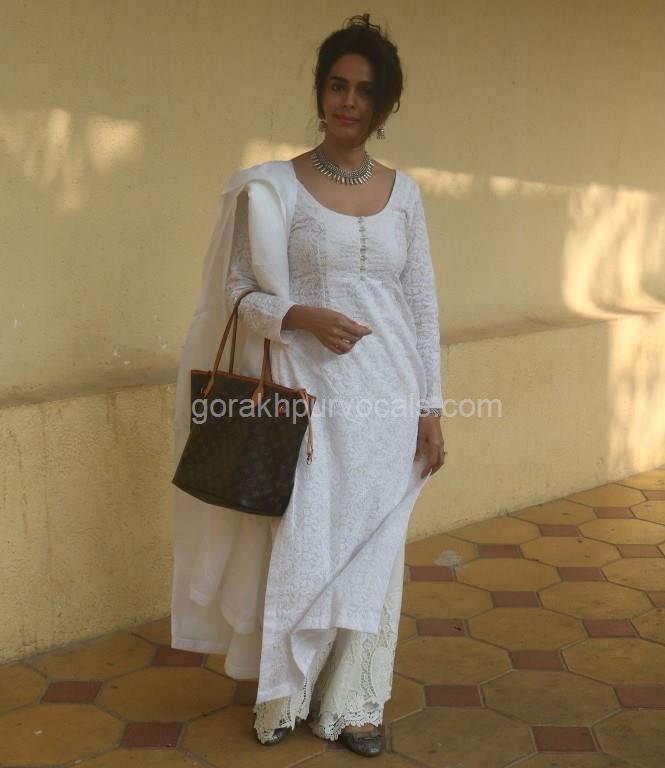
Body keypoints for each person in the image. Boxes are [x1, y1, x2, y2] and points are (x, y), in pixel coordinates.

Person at [171, 13, 445, 759]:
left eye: (365, 91)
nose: (348, 101)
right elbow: (235, 294)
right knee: (306, 545)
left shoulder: (405, 195)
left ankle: (354, 703)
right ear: (320, 92)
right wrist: (299, 315)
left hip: (388, 402)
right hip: (310, 401)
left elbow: (421, 305)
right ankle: (285, 695)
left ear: (385, 105)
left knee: (375, 554)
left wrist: (431, 407)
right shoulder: (273, 189)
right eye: (337, 85)